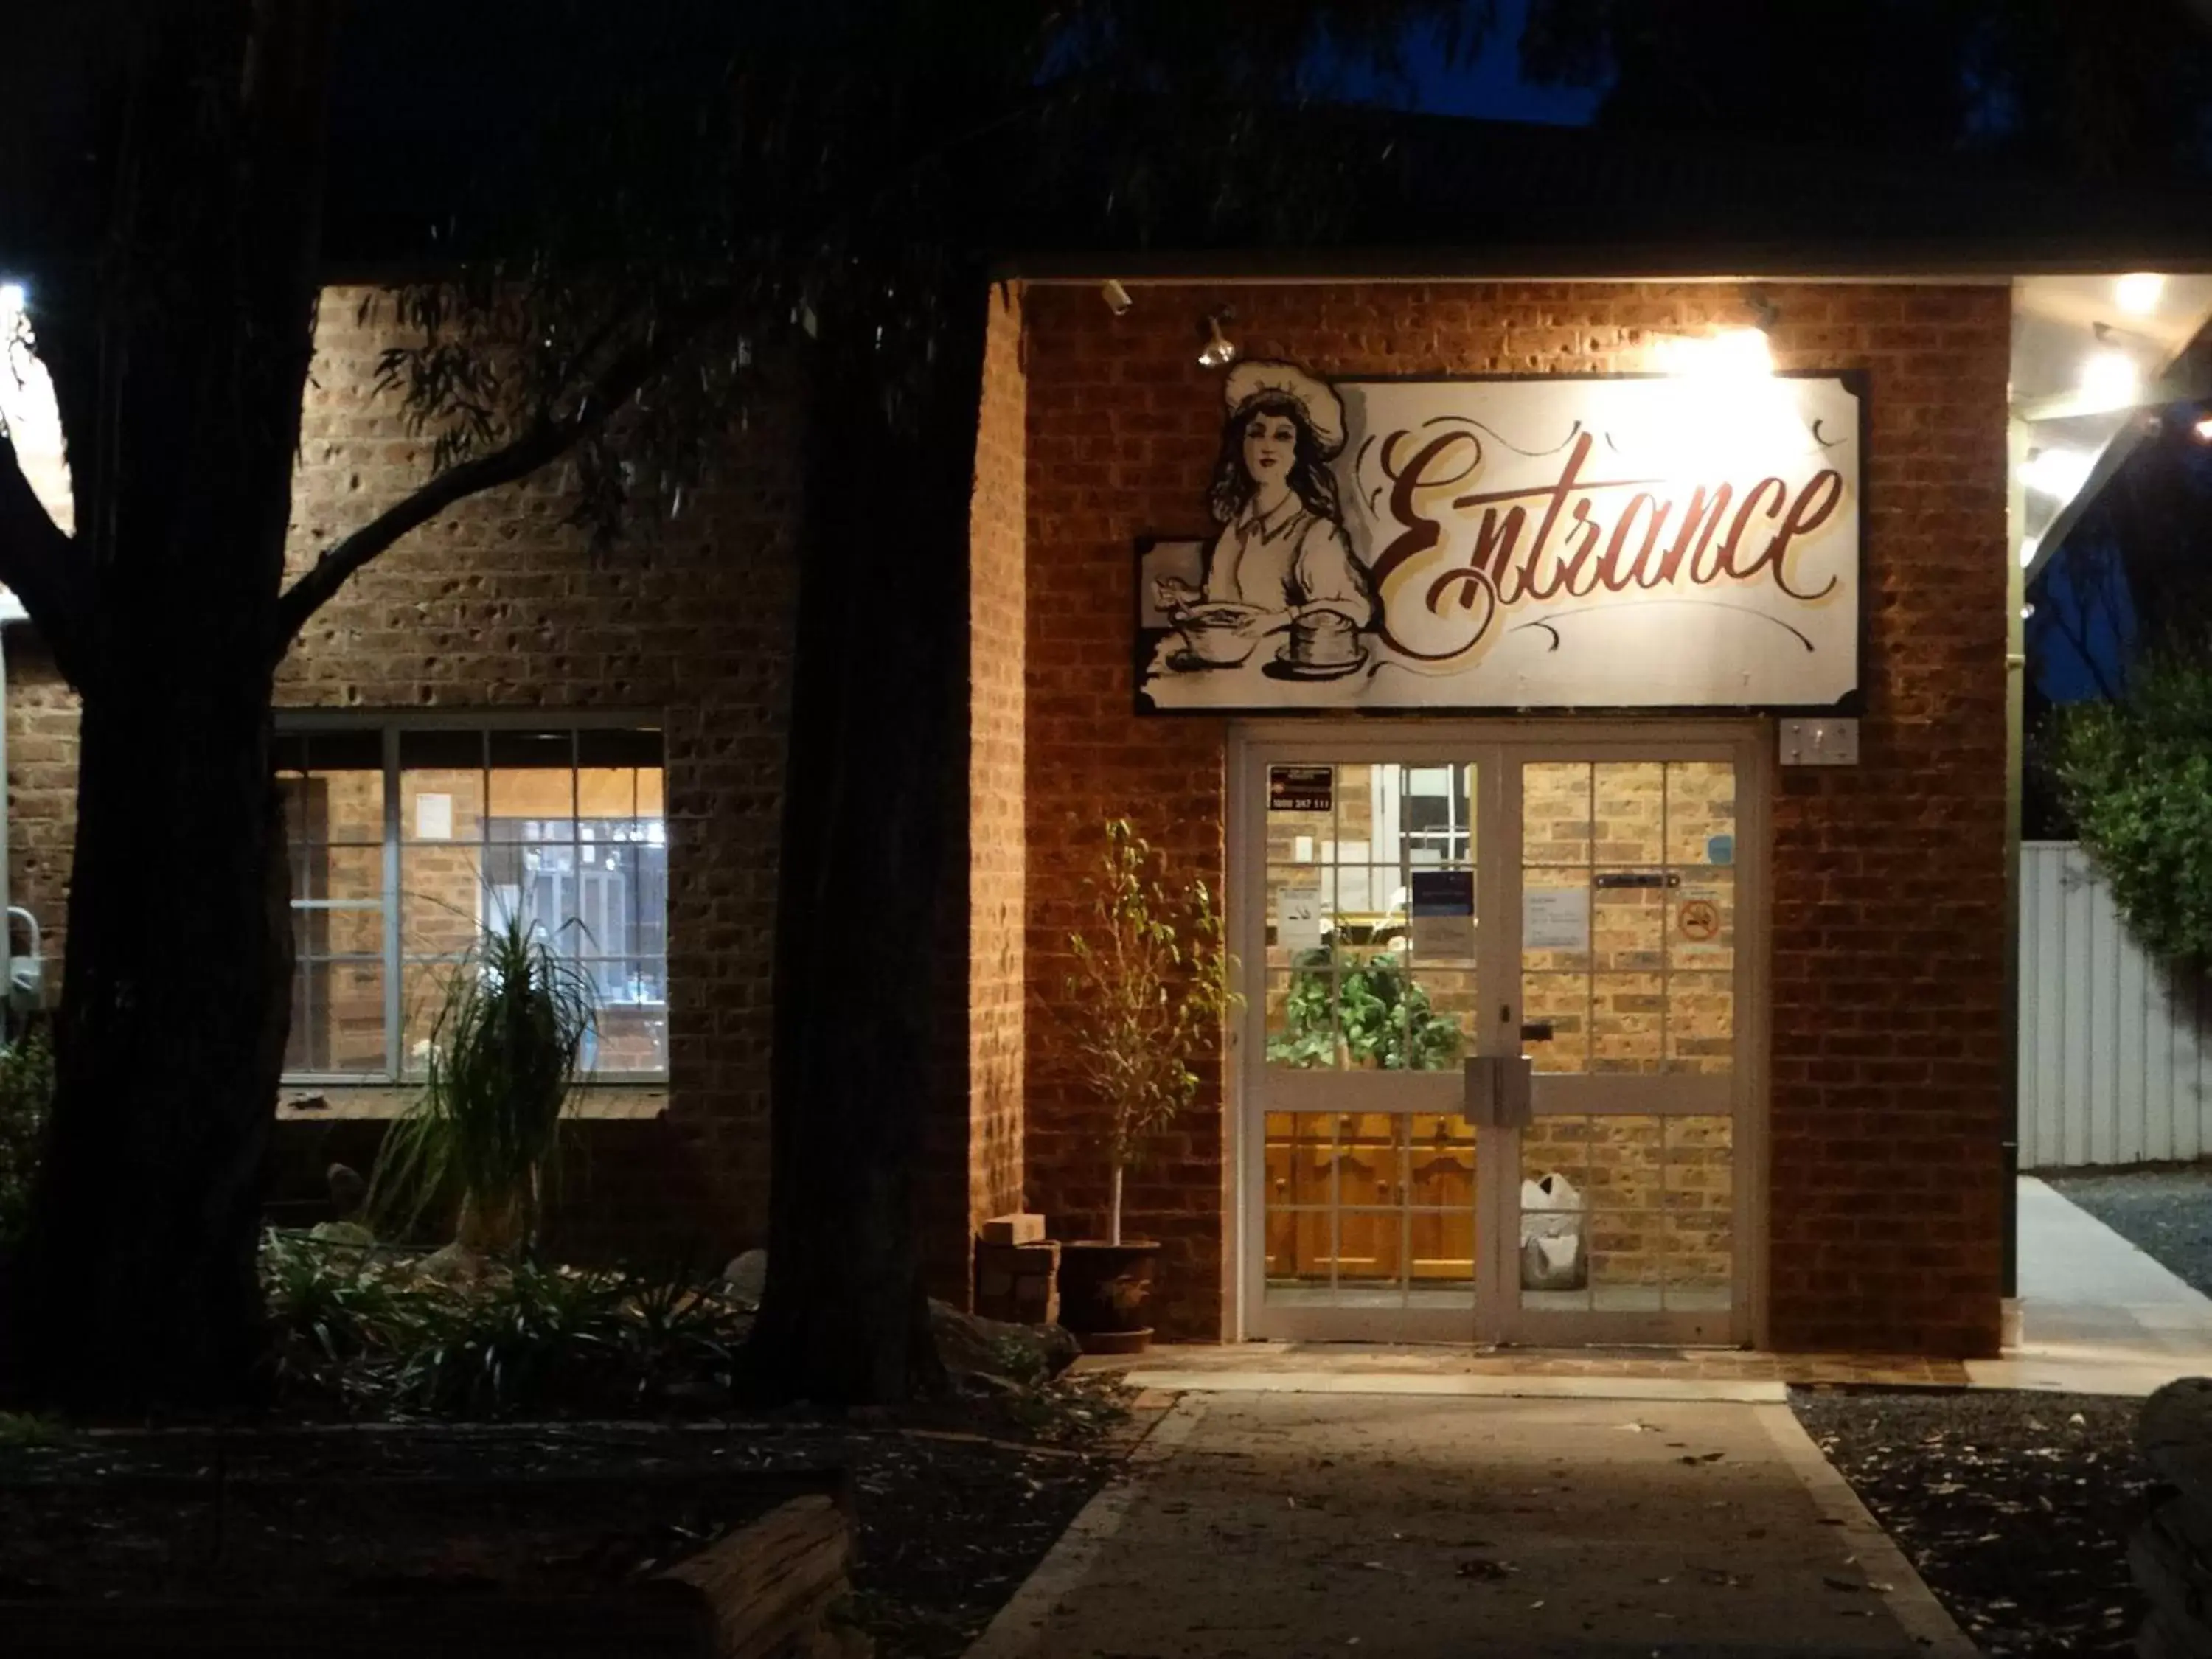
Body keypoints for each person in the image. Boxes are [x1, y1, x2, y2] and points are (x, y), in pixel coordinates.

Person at [1154, 361, 1376, 633]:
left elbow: (1356, 609)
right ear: (1242, 445)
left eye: (1283, 436)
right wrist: (1186, 596)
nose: (1267, 446)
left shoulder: (1316, 534)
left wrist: (1283, 618)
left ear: (1298, 453)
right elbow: (1235, 605)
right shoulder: (1235, 529)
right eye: (1256, 433)